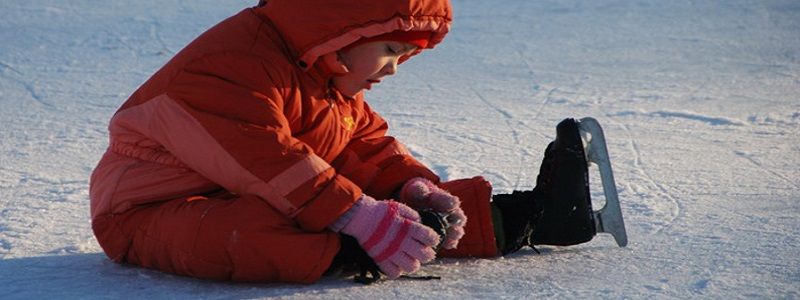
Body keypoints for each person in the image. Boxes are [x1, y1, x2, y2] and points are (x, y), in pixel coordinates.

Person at [89, 0, 598, 284]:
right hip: (152, 211)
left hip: (249, 187)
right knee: (261, 229)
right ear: (344, 31)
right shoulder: (227, 68)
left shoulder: (321, 74)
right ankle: (358, 251)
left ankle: (532, 216)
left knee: (379, 206)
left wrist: (411, 189)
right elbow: (265, 160)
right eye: (391, 49)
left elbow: (363, 148)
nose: (396, 67)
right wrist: (358, 218)